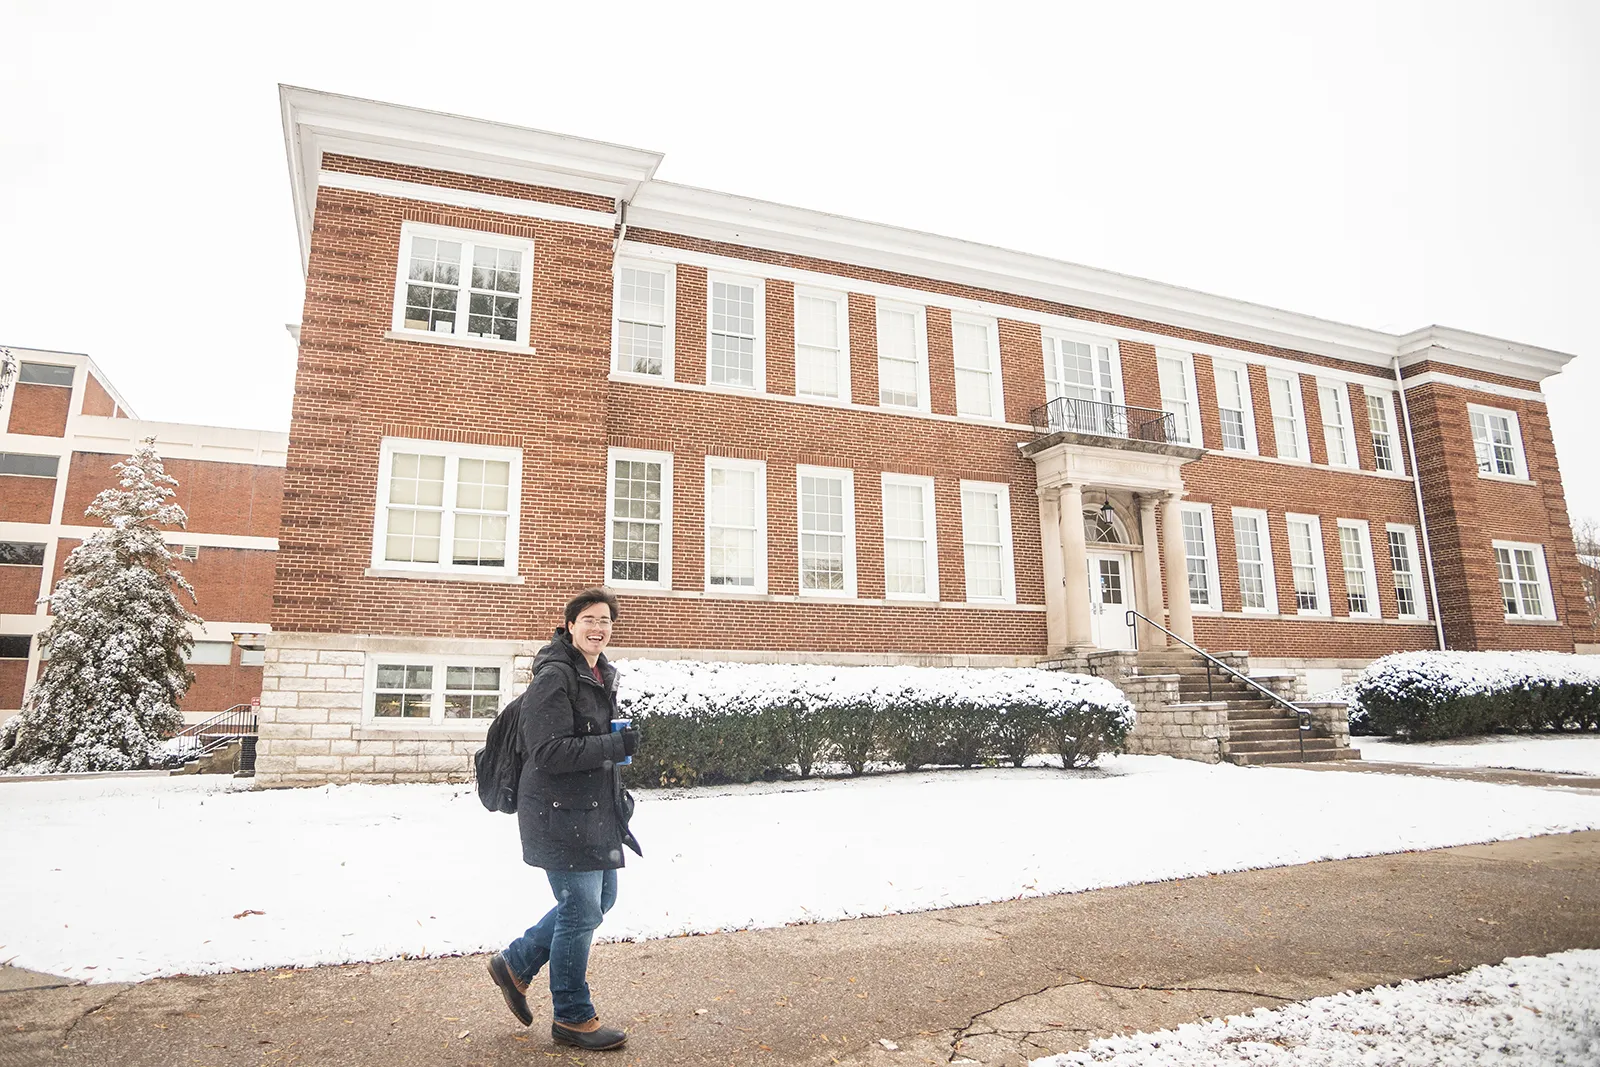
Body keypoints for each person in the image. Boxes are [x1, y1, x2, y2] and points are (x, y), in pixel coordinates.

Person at [487, 588, 641, 1051]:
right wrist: (615, 746)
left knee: (601, 899)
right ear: (570, 625)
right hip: (558, 813)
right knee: (580, 910)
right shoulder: (555, 676)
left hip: (591, 811)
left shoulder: (598, 673)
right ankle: (572, 1016)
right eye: (589, 619)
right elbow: (549, 752)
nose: (598, 628)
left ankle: (517, 962)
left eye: (606, 620)